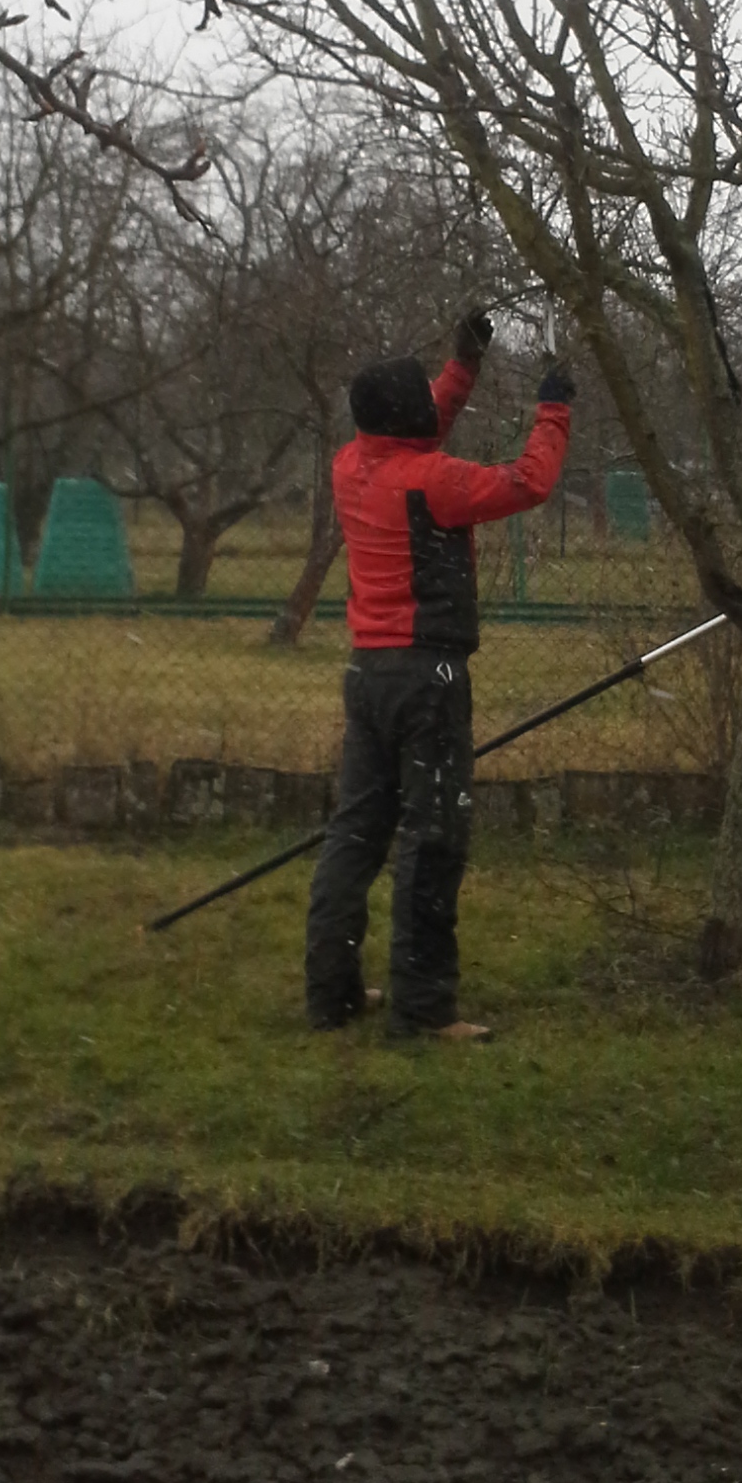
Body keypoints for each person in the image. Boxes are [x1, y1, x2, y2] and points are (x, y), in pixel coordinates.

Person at [305, 307, 574, 1041]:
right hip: (429, 681)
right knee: (434, 837)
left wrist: (465, 367)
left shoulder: (352, 464)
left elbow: (418, 429)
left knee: (356, 831)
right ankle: (423, 1011)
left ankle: (331, 992)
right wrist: (555, 407)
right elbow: (529, 482)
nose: (435, 404)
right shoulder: (438, 483)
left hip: (367, 675)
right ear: (408, 421)